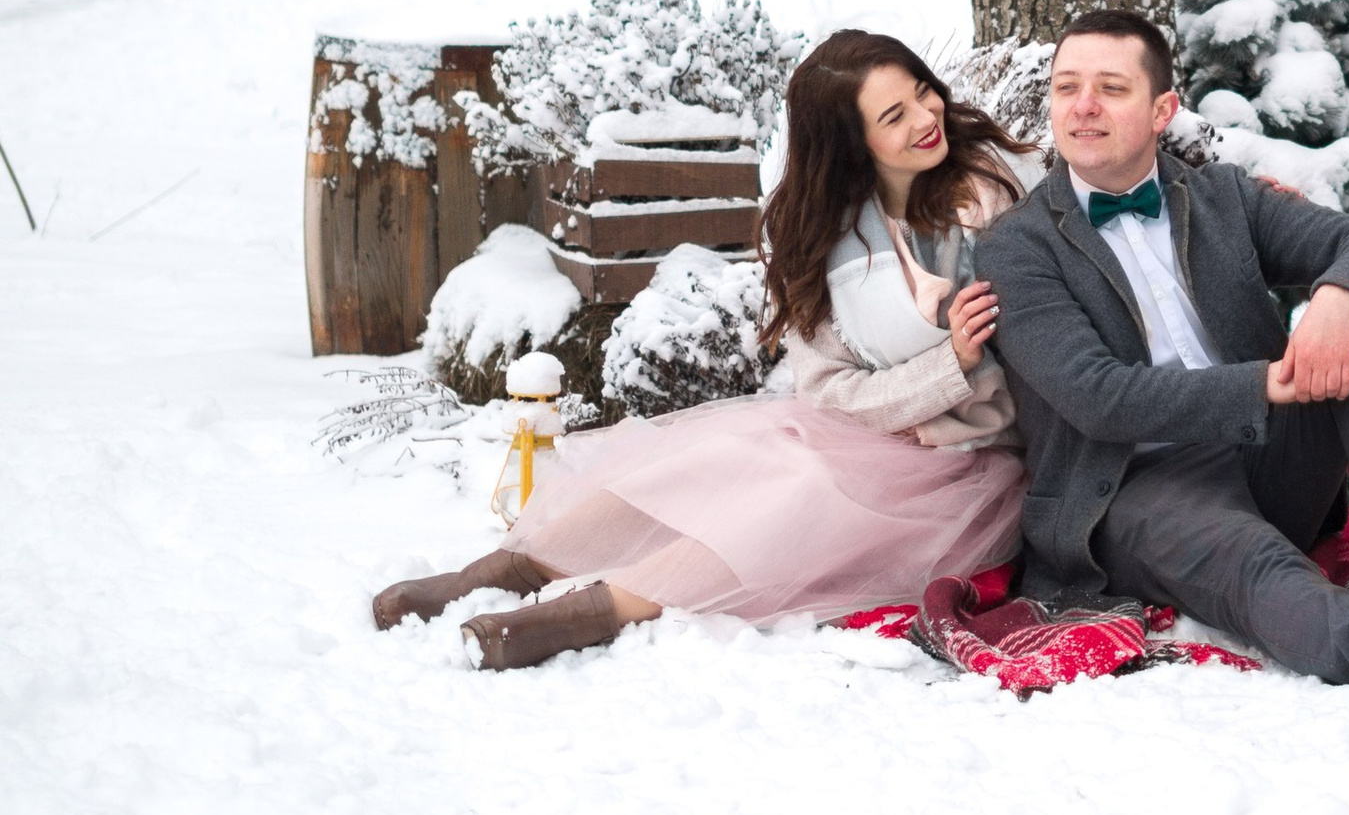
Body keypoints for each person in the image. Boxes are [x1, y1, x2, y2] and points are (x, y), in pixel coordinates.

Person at [372, 34, 1030, 669]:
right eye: (895, 114)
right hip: (860, 427)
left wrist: (961, 368)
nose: (926, 116)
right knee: (723, 456)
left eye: (923, 92)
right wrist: (947, 366)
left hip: (963, 467)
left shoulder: (987, 198)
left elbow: (1020, 382)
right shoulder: (831, 231)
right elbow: (832, 392)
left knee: (801, 494)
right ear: (850, 145)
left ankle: (590, 614)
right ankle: (502, 572)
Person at [975, 9, 1349, 716]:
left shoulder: (1222, 196)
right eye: (1066, 87)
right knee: (1254, 563)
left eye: (1110, 87)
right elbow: (1096, 397)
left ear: (1162, 109)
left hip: (1267, 458)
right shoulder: (1016, 247)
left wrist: (1336, 299)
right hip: (1130, 489)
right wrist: (1268, 384)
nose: (1082, 106)